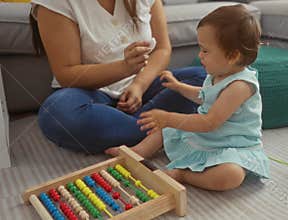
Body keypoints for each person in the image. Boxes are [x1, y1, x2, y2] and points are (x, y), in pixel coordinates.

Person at [106, 4, 270, 191]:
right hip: (207, 138)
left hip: (231, 147)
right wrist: (178, 87)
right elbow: (203, 96)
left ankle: (184, 175)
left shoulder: (240, 86)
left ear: (232, 56)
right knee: (164, 130)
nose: (200, 55)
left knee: (230, 176)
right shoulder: (218, 73)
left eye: (205, 51)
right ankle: (136, 152)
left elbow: (209, 122)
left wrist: (168, 118)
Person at [32, 0, 206, 153]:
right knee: (57, 112)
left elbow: (162, 49)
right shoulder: (54, 4)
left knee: (205, 78)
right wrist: (124, 67)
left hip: (143, 88)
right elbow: (66, 74)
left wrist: (139, 85)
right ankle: (165, 129)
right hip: (89, 94)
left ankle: (135, 127)